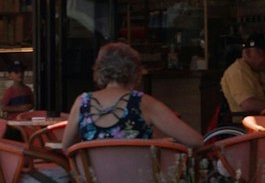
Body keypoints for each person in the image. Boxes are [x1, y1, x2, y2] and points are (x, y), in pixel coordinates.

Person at [71, 42, 204, 146]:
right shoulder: (143, 103)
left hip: (93, 180)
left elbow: (67, 147)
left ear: (99, 69)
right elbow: (195, 141)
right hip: (140, 179)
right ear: (135, 71)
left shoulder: (83, 102)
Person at [220, 34, 265, 116]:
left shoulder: (260, 72)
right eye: (263, 53)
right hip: (253, 124)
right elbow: (248, 104)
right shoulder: (238, 72)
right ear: (248, 53)